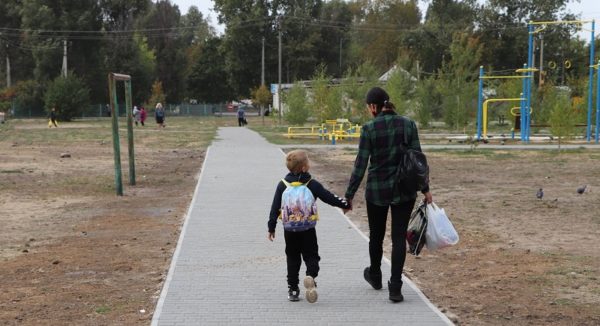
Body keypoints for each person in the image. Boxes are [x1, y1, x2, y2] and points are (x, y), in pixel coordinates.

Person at [344, 87, 433, 303]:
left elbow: (360, 164)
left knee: (376, 234)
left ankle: (375, 275)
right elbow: (418, 160)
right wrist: (425, 189)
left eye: (368, 107)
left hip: (377, 191)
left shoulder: (369, 129)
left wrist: (349, 195)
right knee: (398, 236)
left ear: (374, 106)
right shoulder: (409, 125)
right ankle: (395, 287)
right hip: (405, 189)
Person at [268, 150, 350, 303]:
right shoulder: (311, 184)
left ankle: (293, 289)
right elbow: (329, 197)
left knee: (292, 258)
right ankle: (310, 276)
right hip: (308, 229)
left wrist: (271, 227)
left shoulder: (282, 184)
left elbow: (275, 208)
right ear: (304, 168)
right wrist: (345, 204)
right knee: (312, 255)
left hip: (289, 230)